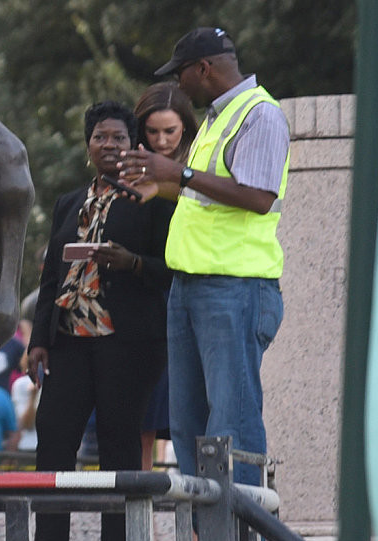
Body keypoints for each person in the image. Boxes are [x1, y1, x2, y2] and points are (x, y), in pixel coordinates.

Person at [119, 28, 290, 487]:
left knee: (232, 422)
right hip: (191, 289)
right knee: (190, 426)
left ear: (204, 69)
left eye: (181, 74)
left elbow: (256, 196)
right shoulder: (218, 117)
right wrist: (166, 186)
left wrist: (181, 172)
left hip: (234, 290)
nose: (179, 85)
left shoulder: (260, 115)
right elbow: (209, 195)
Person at [25, 101, 172, 541]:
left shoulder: (152, 198)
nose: (109, 146)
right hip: (69, 338)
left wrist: (129, 261)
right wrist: (39, 340)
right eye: (100, 138)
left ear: (134, 146)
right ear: (88, 145)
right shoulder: (69, 202)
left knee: (120, 439)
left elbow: (170, 267)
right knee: (53, 433)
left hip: (126, 340)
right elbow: (52, 274)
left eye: (119, 139)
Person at [130, 80, 199, 463]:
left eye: (170, 131)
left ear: (185, 129)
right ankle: (142, 522)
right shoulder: (132, 167)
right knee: (143, 419)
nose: (161, 141)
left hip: (187, 289)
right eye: (152, 131)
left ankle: (197, 524)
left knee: (191, 418)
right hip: (144, 299)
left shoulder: (200, 167)